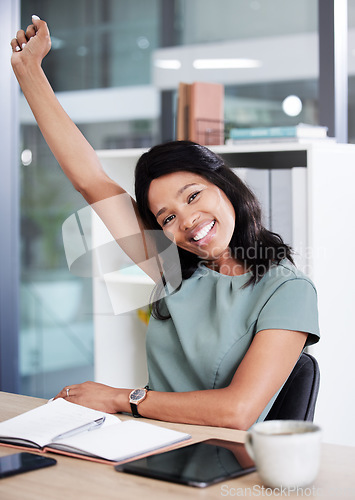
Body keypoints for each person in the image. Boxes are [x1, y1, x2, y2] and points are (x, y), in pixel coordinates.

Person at [10, 16, 320, 430]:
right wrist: (29, 71)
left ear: (224, 185)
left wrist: (121, 398)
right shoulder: (170, 266)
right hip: (148, 442)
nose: (188, 221)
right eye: (167, 217)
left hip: (220, 463)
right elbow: (90, 180)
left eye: (193, 196)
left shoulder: (288, 289)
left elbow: (237, 411)